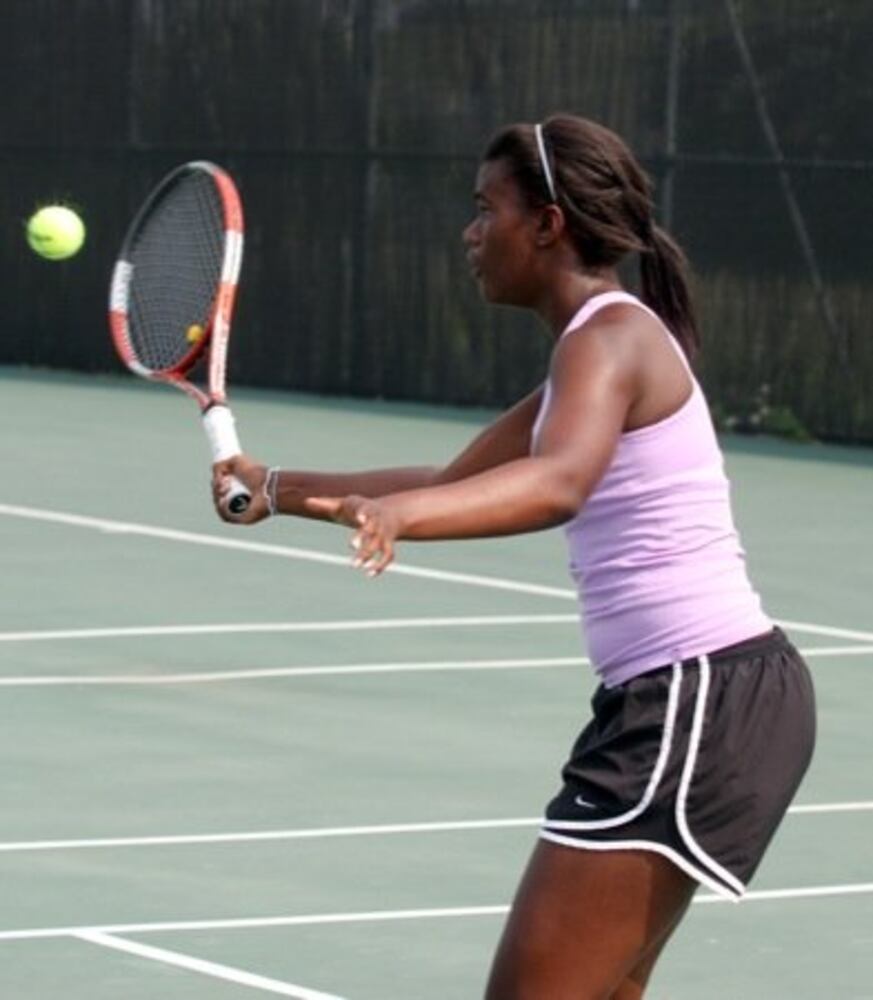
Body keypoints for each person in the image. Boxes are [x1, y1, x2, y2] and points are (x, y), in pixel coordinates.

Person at [212, 114, 816, 1000]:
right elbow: (458, 477)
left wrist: (401, 516)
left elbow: (556, 483)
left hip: (693, 697)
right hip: (694, 703)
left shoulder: (612, 337)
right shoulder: (591, 347)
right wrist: (277, 489)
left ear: (547, 224)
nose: (469, 231)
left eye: (483, 208)